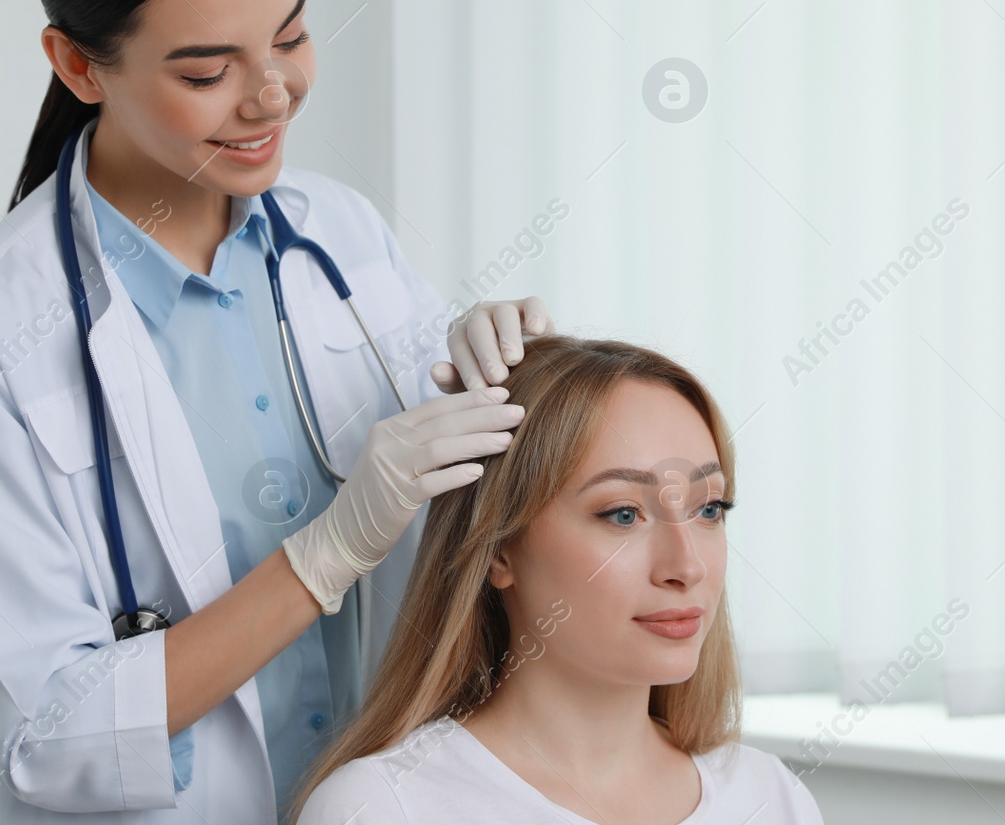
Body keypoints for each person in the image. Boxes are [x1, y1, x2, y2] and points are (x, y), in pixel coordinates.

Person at [0, 0, 552, 823]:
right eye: (208, 70)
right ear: (78, 65)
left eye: (288, 37)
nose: (272, 94)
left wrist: (499, 376)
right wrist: (323, 554)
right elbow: (51, 736)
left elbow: (470, 524)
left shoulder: (340, 234)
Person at [293, 335, 825, 825]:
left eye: (708, 508)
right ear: (499, 549)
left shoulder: (771, 797)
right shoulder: (385, 807)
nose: (687, 568)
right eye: (622, 514)